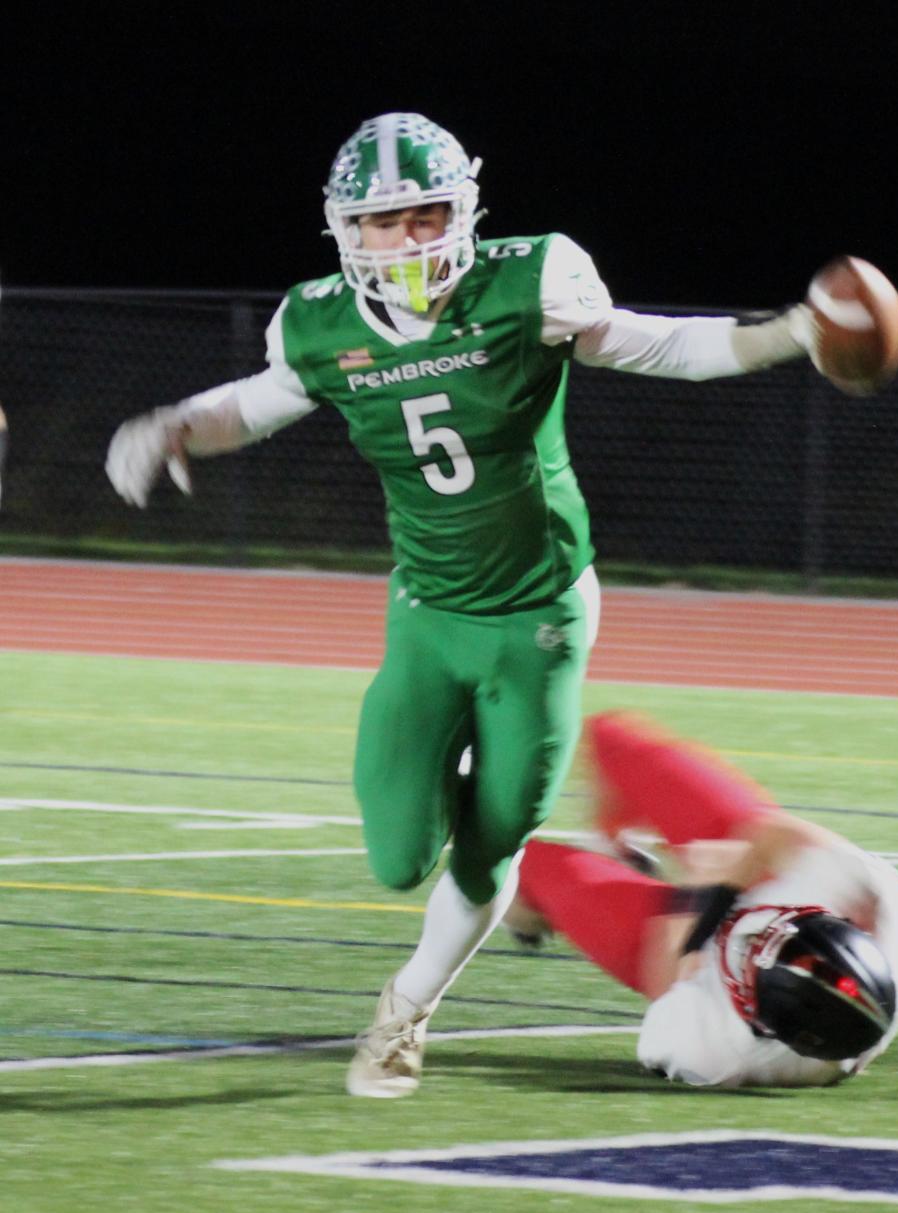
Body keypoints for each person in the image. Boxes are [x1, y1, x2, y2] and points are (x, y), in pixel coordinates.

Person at [105, 111, 829, 1098]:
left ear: (466, 212)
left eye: (427, 213)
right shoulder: (318, 322)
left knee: (491, 851)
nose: (408, 238)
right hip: (429, 613)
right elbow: (262, 402)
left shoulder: (529, 282)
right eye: (384, 219)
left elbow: (658, 347)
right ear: (346, 230)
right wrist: (179, 426)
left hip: (541, 619)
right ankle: (454, 763)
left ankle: (404, 1012)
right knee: (398, 855)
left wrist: (791, 334)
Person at [506, 712, 898, 1087]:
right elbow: (769, 832)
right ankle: (614, 833)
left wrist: (695, 905)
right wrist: (725, 884)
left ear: (756, 1015)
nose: (756, 938)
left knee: (516, 862)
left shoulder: (718, 1053)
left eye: (757, 951)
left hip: (680, 953)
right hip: (760, 878)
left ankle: (532, 914)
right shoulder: (874, 900)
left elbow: (665, 986)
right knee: (611, 737)